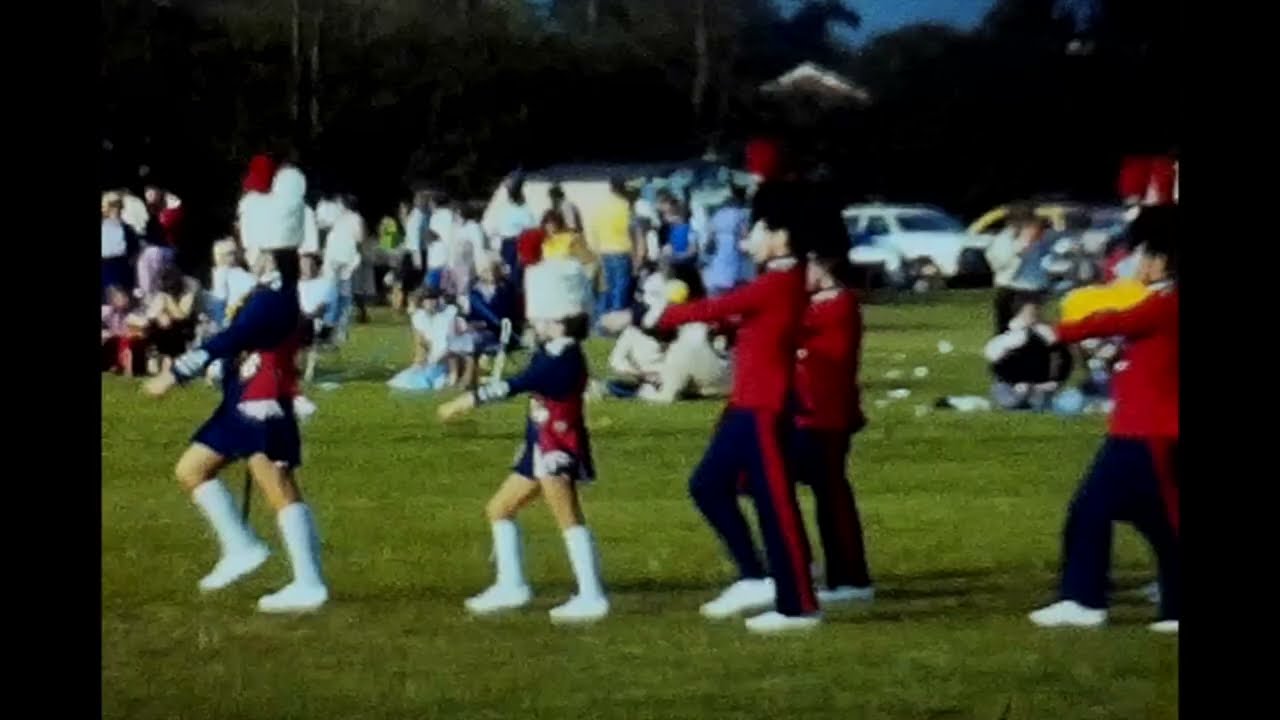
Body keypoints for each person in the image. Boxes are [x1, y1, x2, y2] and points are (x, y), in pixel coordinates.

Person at [142, 164, 328, 614]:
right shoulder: (265, 290)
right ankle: (241, 547)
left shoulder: (274, 299)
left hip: (260, 402)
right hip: (238, 400)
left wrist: (176, 372)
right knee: (191, 471)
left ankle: (309, 582)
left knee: (278, 486)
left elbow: (231, 339)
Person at [640, 181, 821, 634]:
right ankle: (755, 576)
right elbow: (740, 313)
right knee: (707, 486)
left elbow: (726, 304)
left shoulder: (781, 280)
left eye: (757, 229)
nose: (749, 238)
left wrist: (658, 314)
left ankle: (798, 605)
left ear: (780, 236)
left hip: (763, 409)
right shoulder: (775, 280)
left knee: (775, 505)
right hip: (744, 408)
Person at [1028, 206, 1179, 634]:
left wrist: (1052, 332)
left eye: (1146, 255)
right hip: (1149, 429)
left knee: (1090, 510)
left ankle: (1083, 598)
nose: (1138, 264)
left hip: (1144, 431)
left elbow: (1115, 320)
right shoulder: (1163, 302)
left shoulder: (1165, 304)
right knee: (1161, 523)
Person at [438, 258, 608, 624]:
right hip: (539, 447)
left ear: (561, 318)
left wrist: (469, 400)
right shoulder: (548, 352)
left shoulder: (565, 359)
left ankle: (592, 594)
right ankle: (511, 584)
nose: (535, 320)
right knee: (499, 509)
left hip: (558, 449)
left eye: (543, 316)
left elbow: (518, 384)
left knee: (568, 518)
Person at [790, 251, 874, 604]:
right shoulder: (819, 305)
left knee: (831, 495)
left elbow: (828, 356)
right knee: (815, 491)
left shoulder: (837, 306)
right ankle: (816, 568)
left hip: (823, 413)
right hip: (809, 411)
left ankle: (847, 576)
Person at [983, 301, 1074, 411]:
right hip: (1011, 387)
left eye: (1035, 312)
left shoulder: (1047, 335)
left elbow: (1063, 360)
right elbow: (996, 365)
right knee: (1014, 402)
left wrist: (1053, 381)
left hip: (1039, 387)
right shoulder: (1011, 338)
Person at [985, 207, 1049, 335]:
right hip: (1010, 287)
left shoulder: (1041, 238)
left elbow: (1047, 260)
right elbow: (998, 262)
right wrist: (1022, 246)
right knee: (1005, 328)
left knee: (1028, 327)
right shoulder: (1004, 238)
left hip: (1032, 288)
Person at [387, 289, 461, 391]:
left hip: (446, 359)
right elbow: (421, 344)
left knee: (428, 379)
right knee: (407, 379)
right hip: (431, 359)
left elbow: (453, 346)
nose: (430, 304)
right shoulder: (419, 317)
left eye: (432, 300)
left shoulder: (448, 316)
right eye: (427, 301)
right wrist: (419, 361)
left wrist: (453, 373)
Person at [590, 177, 636, 319]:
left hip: (604, 250)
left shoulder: (602, 206)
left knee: (608, 286)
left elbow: (594, 229)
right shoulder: (625, 205)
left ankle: (603, 316)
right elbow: (630, 229)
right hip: (621, 249)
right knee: (620, 286)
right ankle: (617, 316)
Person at [703, 185, 752, 296]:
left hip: (718, 257)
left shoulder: (719, 214)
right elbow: (745, 235)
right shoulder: (741, 214)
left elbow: (710, 236)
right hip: (734, 254)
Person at [206, 239, 257, 330]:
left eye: (236, 252)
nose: (235, 256)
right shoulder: (221, 273)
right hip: (241, 320)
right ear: (219, 256)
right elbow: (219, 302)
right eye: (230, 253)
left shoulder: (237, 269)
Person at [101, 285, 148, 375]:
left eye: (119, 298)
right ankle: (111, 367)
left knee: (126, 345)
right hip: (117, 342)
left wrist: (132, 333)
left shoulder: (133, 313)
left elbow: (143, 330)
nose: (116, 301)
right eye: (113, 298)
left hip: (133, 344)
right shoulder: (108, 311)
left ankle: (127, 372)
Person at [102, 192, 136, 298]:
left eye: (103, 206)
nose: (102, 210)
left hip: (120, 268)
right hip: (108, 268)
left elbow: (133, 249)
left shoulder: (126, 228)